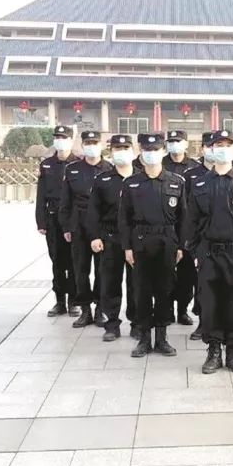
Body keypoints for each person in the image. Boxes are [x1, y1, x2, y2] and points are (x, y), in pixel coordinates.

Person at [183, 129, 233, 374]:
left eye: (227, 145)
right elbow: (191, 221)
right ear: (210, 149)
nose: (222, 149)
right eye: (218, 145)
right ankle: (213, 350)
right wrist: (195, 252)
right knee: (210, 302)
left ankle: (232, 350)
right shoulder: (200, 183)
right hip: (209, 252)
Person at [120, 133, 187, 357]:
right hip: (140, 241)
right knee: (141, 290)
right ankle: (144, 338)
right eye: (147, 150)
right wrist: (127, 247)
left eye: (155, 150)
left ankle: (162, 337)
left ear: (163, 152)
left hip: (167, 241)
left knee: (165, 290)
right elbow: (124, 218)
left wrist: (180, 246)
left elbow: (183, 217)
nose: (151, 154)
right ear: (141, 153)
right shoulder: (131, 183)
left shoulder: (176, 182)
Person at [59, 130, 113, 328]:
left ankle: (100, 308)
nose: (91, 146)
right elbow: (65, 201)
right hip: (79, 224)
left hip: (102, 225)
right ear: (82, 146)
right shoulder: (72, 169)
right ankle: (85, 309)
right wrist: (66, 226)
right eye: (88, 143)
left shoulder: (109, 169)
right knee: (80, 269)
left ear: (101, 145)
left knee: (102, 270)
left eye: (94, 143)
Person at [88, 134, 139, 341]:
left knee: (136, 283)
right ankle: (111, 323)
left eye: (125, 148)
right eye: (117, 149)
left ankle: (137, 323)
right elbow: (93, 211)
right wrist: (94, 236)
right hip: (110, 236)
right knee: (110, 282)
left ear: (133, 152)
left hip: (136, 238)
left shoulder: (141, 178)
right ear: (111, 152)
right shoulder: (103, 180)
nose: (121, 152)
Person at [36, 126, 79, 317]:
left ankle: (74, 301)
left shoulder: (78, 164)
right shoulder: (47, 165)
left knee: (75, 261)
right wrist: (41, 221)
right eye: (57, 137)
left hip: (73, 218)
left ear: (71, 140)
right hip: (53, 217)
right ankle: (60, 301)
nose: (60, 140)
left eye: (64, 137)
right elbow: (40, 195)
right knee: (57, 261)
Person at [180, 132, 219, 341]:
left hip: (227, 242)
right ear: (203, 148)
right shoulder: (192, 175)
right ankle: (203, 322)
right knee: (201, 285)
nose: (214, 150)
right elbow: (188, 210)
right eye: (209, 145)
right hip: (202, 240)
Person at [163, 130, 199, 327]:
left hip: (186, 225)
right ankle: (166, 308)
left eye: (178, 141)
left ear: (186, 143)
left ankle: (182, 310)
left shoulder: (194, 167)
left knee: (186, 274)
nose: (174, 144)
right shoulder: (160, 163)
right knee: (165, 272)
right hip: (165, 225)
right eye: (171, 141)